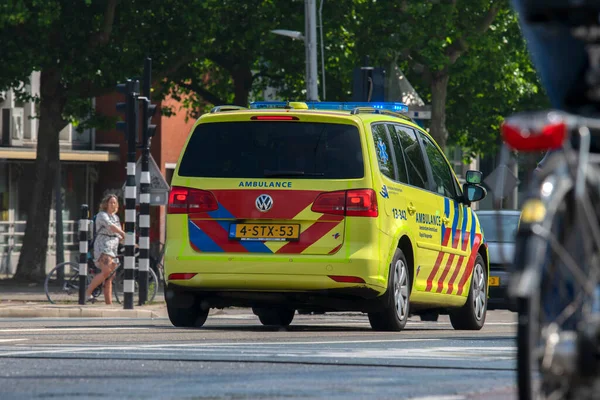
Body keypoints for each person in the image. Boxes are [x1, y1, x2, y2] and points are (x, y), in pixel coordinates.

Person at [85, 194, 126, 304]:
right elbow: (111, 227)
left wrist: (128, 242)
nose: (113, 205)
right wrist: (122, 233)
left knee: (110, 276)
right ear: (106, 204)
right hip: (103, 246)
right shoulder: (102, 215)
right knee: (106, 271)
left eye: (115, 203)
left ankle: (109, 302)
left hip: (114, 248)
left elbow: (118, 234)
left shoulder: (116, 218)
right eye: (111, 202)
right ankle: (87, 293)